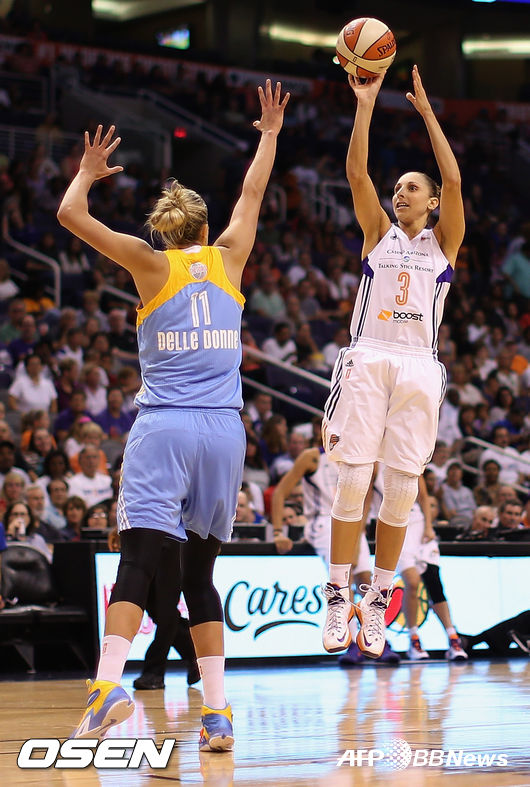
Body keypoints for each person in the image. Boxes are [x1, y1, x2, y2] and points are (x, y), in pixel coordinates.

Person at [58, 79, 289, 749]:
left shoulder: (147, 264)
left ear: (162, 230)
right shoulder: (231, 258)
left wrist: (87, 171)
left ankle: (108, 687)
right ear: (205, 229)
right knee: (200, 578)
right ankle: (216, 713)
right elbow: (253, 192)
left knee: (137, 560)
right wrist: (269, 134)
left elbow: (70, 215)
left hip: (165, 426)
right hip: (224, 432)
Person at [320, 65, 465, 658]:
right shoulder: (377, 231)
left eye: (411, 188)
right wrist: (366, 102)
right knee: (355, 479)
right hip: (370, 356)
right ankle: (337, 595)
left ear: (431, 202)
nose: (400, 192)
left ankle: (377, 601)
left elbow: (454, 180)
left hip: (419, 364)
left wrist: (427, 113)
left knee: (402, 488)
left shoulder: (444, 242)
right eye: (398, 186)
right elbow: (357, 173)